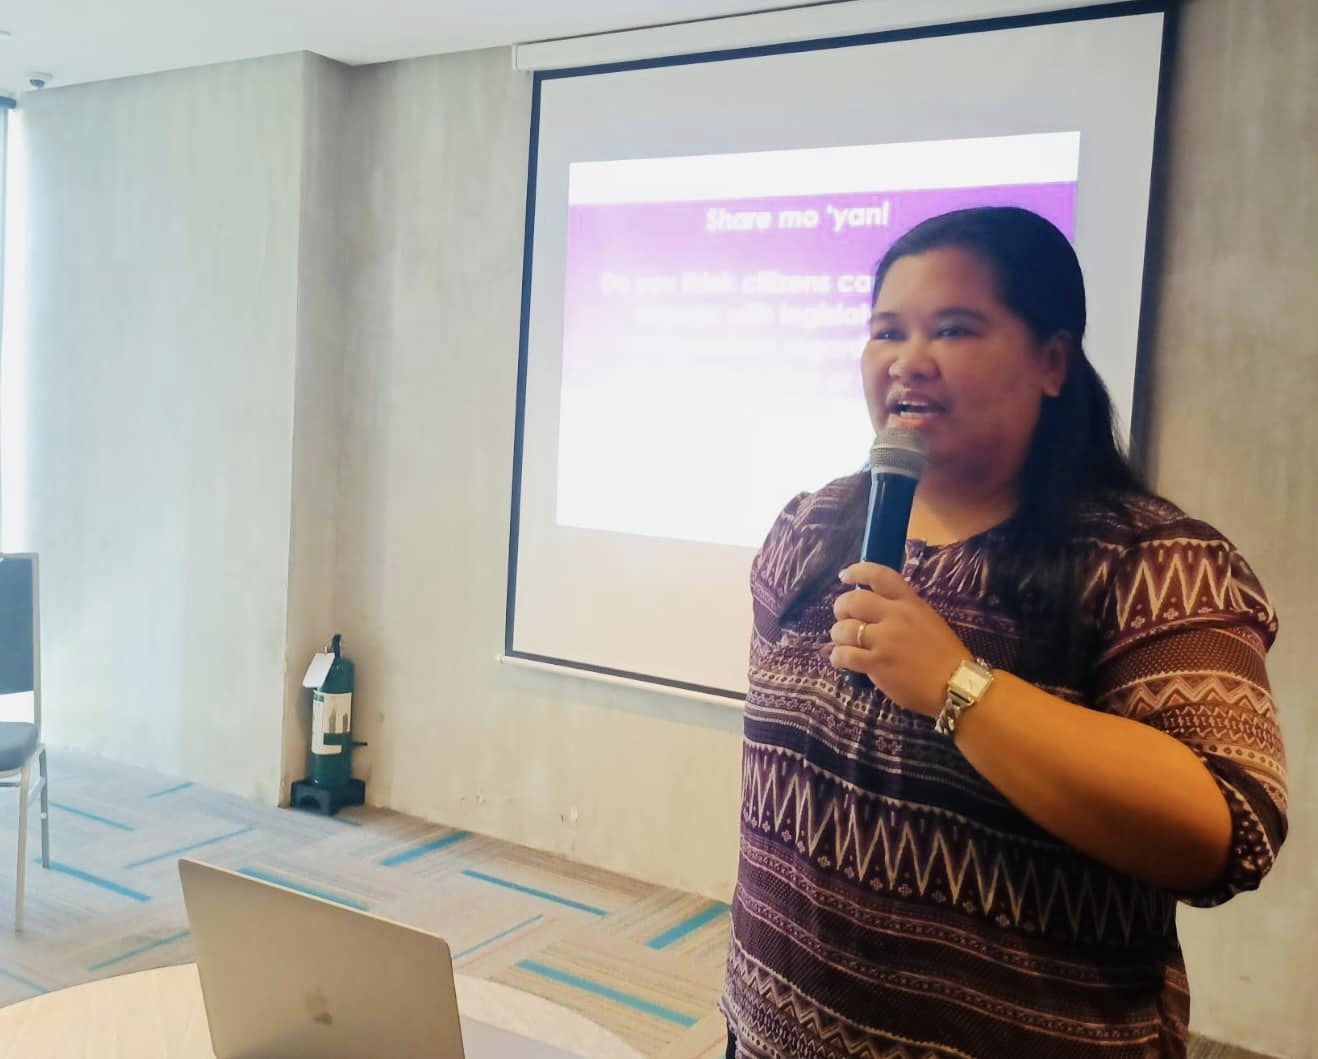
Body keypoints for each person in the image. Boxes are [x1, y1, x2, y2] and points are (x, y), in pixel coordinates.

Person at [719, 207, 1287, 1058]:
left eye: (952, 329)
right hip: (771, 1030)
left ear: (1052, 361)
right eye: (887, 331)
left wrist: (960, 686)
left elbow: (1229, 826)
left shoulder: (1152, 563)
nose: (908, 360)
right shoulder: (812, 527)